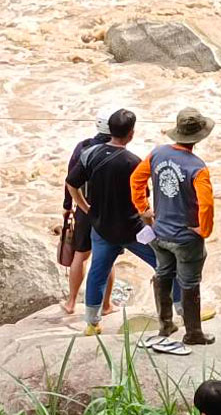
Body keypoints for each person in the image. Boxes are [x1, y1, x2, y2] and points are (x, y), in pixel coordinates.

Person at [66, 108, 181, 336]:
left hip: (102, 228)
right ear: (131, 134)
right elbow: (142, 203)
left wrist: (85, 208)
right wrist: (153, 224)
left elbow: (71, 183)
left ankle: (92, 323)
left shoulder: (91, 154)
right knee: (167, 263)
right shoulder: (133, 163)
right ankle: (182, 310)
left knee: (98, 272)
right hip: (131, 229)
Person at [132, 108, 217, 346]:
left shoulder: (157, 153)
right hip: (185, 238)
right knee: (189, 283)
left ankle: (165, 324)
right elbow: (206, 203)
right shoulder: (197, 167)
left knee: (162, 273)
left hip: (159, 232)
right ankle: (193, 333)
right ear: (199, 137)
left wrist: (143, 209)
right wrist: (204, 230)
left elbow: (136, 179)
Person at [58, 109, 110, 316]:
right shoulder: (116, 150)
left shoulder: (83, 147)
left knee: (80, 254)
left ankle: (71, 302)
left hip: (82, 207)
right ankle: (106, 305)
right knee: (107, 256)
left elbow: (70, 177)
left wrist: (67, 204)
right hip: (106, 211)